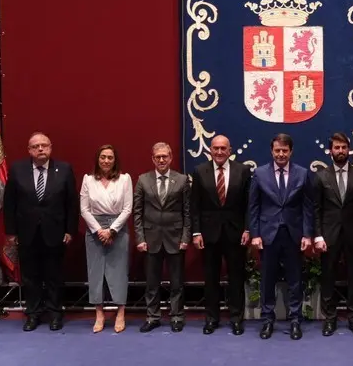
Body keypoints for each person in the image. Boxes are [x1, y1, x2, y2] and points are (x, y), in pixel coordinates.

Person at [4, 132, 77, 331]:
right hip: (26, 234)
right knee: (30, 277)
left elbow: (71, 203)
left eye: (44, 145)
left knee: (54, 276)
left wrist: (70, 230)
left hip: (55, 233)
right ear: (29, 150)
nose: (40, 149)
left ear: (51, 147)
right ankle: (33, 315)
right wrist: (11, 232)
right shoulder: (18, 169)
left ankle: (55, 314)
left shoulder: (63, 169)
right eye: (36, 146)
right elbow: (9, 202)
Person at [249, 134, 313, 340]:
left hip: (293, 235)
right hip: (268, 235)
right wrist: (255, 233)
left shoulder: (302, 174)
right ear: (272, 151)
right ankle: (267, 320)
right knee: (268, 280)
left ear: (291, 151)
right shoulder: (259, 174)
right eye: (277, 150)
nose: (281, 154)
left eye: (285, 150)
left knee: (295, 280)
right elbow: (253, 207)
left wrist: (307, 234)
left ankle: (295, 320)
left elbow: (307, 207)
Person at [191, 135, 252, 336]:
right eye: (215, 148)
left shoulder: (242, 171)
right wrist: (196, 232)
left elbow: (248, 204)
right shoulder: (200, 171)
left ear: (230, 150)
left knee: (236, 278)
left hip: (236, 233)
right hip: (209, 234)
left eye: (223, 148)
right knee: (211, 279)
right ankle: (211, 319)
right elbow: (195, 206)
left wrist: (247, 229)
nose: (219, 152)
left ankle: (236, 318)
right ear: (210, 149)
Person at [313, 132, 353, 337]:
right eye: (336, 148)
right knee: (328, 277)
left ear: (349, 149)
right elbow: (316, 209)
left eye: (344, 147)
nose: (340, 151)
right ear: (330, 151)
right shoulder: (321, 176)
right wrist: (318, 236)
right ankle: (330, 319)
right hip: (328, 236)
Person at [133, 142, 190, 333]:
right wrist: (140, 238)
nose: (162, 160)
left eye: (165, 156)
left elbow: (187, 212)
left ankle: (176, 316)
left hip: (175, 238)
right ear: (153, 159)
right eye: (158, 157)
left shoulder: (182, 180)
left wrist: (185, 237)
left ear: (171, 157)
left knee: (176, 283)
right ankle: (152, 317)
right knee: (152, 283)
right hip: (150, 239)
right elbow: (137, 212)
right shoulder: (143, 180)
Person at [80, 144, 132, 333]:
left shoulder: (124, 179)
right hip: (94, 230)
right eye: (103, 157)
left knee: (119, 272)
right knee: (95, 273)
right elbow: (84, 209)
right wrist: (99, 230)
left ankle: (120, 313)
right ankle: (99, 314)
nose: (106, 161)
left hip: (117, 229)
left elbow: (127, 208)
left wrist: (112, 230)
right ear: (97, 159)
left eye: (110, 157)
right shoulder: (88, 180)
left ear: (115, 160)